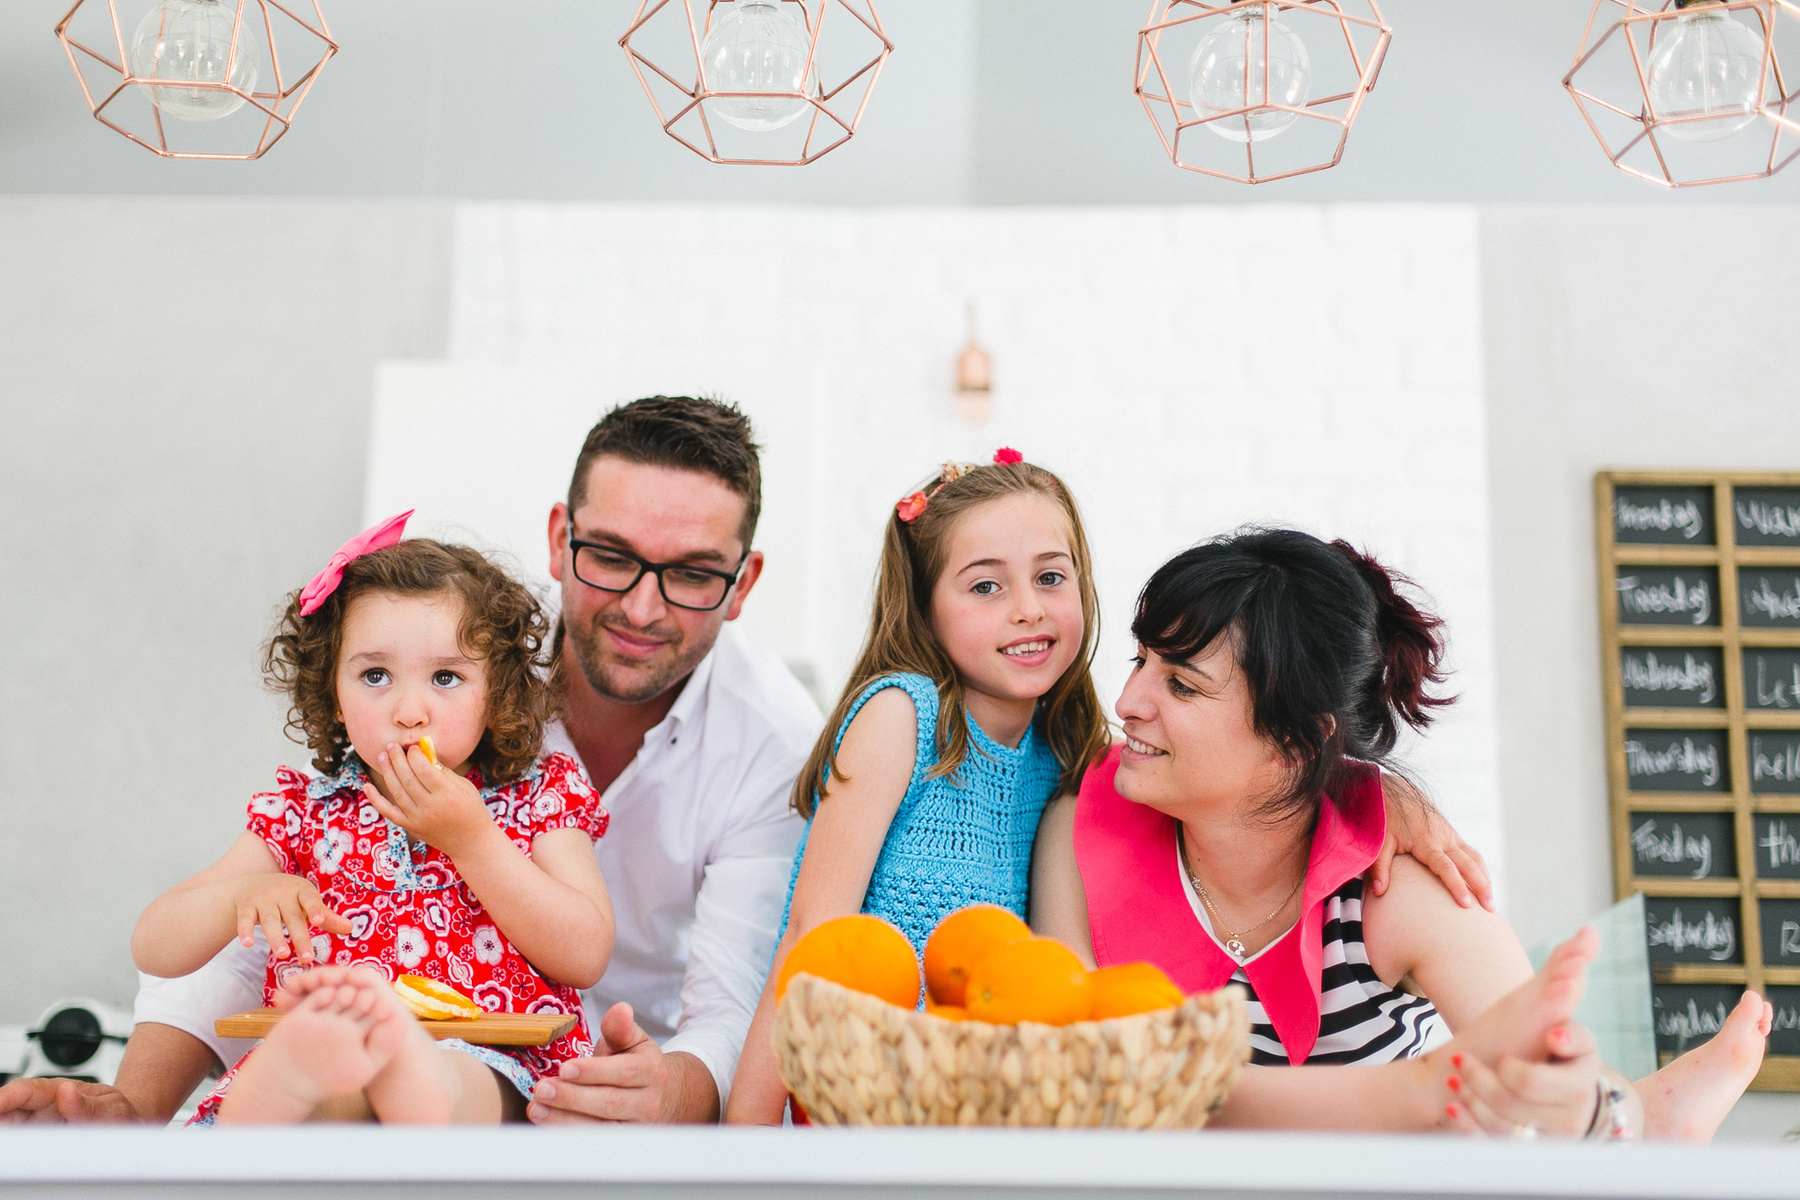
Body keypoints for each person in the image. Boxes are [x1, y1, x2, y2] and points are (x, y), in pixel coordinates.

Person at [0, 396, 822, 1126]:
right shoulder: (446, 636)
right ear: (560, 538)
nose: (642, 606)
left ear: (743, 583)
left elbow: (727, 1003)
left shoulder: (771, 742)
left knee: (422, 1079)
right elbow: (222, 938)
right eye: (610, 556)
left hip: (525, 1062)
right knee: (311, 1078)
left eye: (691, 575)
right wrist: (138, 1103)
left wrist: (673, 1095)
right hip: (333, 1047)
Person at [726, 457, 1491, 1125]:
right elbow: (810, 941)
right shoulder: (930, 729)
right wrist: (746, 1147)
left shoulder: (1065, 755)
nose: (1027, 607)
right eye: (986, 585)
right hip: (862, 1090)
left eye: (1051, 577)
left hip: (970, 1105)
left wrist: (1389, 794)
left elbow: (1260, 757)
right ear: (924, 604)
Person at [1030, 527, 1774, 1139]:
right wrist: (1416, 1095)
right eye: (1142, 661)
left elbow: (1540, 1066)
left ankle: (1657, 1116)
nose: (1127, 700)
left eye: (1182, 684)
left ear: (1296, 743)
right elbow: (1085, 1074)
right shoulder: (1082, 826)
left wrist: (1586, 1098)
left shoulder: (1400, 888)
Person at [133, 530, 612, 1124]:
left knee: (446, 1080)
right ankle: (292, 1095)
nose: (409, 711)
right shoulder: (304, 811)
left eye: (445, 678)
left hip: (493, 1061)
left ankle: (395, 1077)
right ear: (334, 695)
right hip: (333, 1055)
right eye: (375, 676)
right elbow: (153, 944)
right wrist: (245, 893)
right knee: (320, 1087)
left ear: (497, 695)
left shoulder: (537, 798)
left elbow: (586, 953)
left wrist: (473, 842)